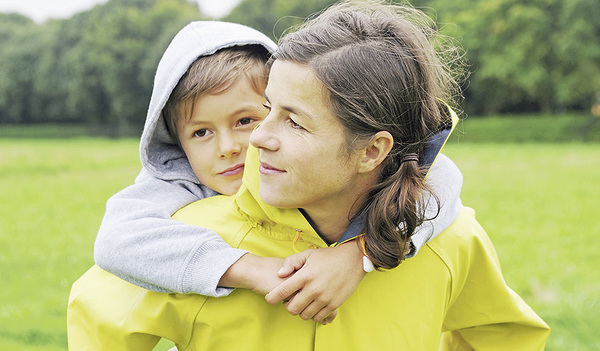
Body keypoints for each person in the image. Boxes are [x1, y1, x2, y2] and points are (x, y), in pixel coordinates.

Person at [68, 1, 550, 350]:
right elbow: (99, 308)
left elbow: (503, 334)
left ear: (373, 149)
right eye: (269, 109)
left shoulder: (449, 238)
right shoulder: (177, 237)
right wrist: (244, 269)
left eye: (289, 119)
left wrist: (361, 255)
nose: (252, 142)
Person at [89, 18, 462, 325]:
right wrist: (248, 269)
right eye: (201, 132)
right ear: (177, 144)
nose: (231, 147)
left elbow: (437, 176)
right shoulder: (179, 183)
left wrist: (360, 254)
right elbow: (117, 240)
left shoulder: (325, 171)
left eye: (247, 119)